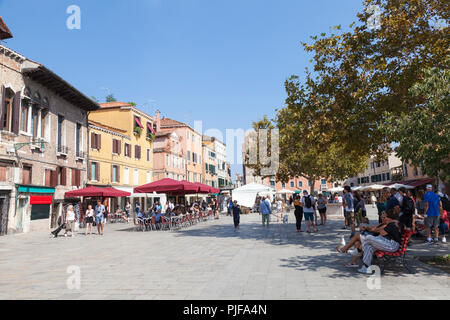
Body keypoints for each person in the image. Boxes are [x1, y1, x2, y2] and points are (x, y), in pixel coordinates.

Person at [358, 209, 402, 275]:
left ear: (389, 217)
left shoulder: (392, 224)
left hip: (392, 245)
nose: (384, 219)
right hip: (389, 243)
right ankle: (366, 267)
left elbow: (382, 233)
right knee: (369, 247)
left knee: (368, 237)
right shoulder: (394, 223)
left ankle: (358, 250)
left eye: (385, 217)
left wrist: (382, 228)